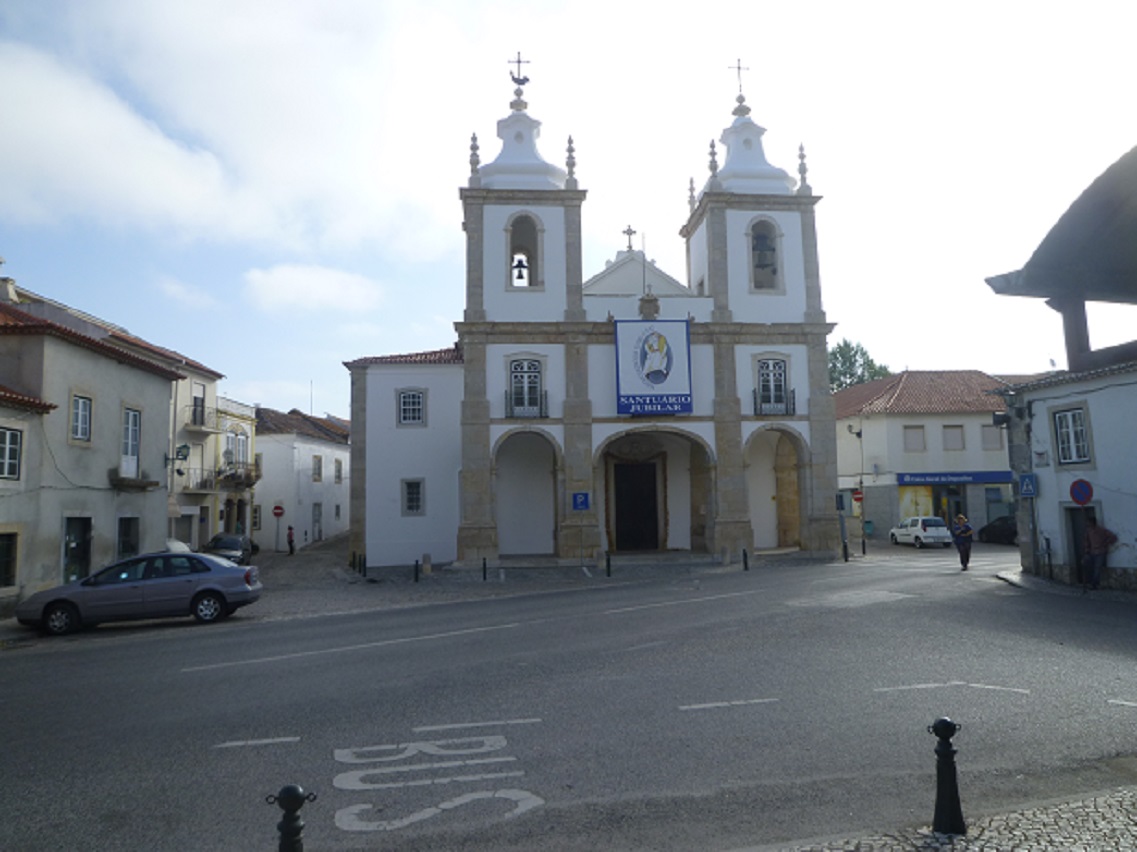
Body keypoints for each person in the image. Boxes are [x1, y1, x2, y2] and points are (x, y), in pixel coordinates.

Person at [1082, 516, 1118, 590]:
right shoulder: (1089, 531)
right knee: (1089, 566)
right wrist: (1087, 550)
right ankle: (1088, 582)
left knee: (1097, 568)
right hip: (1092, 552)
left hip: (1100, 552)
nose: (1088, 524)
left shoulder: (1101, 530)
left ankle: (1094, 584)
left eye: (1089, 522)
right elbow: (1087, 541)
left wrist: (1106, 543)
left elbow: (1113, 537)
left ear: (1093, 522)